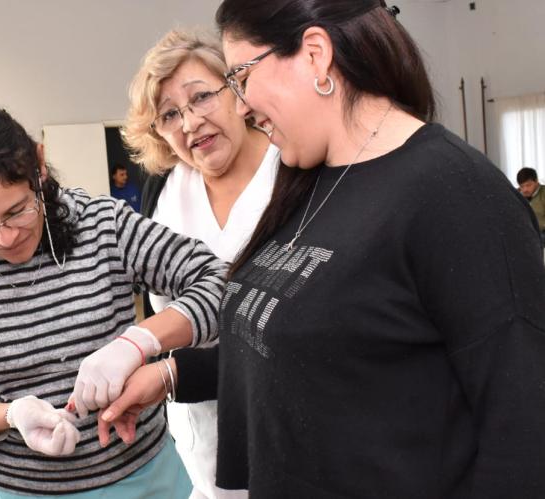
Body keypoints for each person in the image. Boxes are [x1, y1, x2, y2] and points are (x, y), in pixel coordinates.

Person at [102, 1, 545, 497]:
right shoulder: (307, 182)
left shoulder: (456, 194)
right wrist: (169, 374)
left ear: (315, 55)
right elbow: (302, 348)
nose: (242, 104)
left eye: (242, 77)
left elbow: (523, 430)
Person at [0, 88, 228, 497]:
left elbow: (221, 285)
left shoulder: (101, 226)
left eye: (17, 210)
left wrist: (139, 341)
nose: (4, 238)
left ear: (39, 166)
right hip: (6, 489)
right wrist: (7, 415)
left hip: (138, 482)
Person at [123, 28, 280, 499]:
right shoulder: (164, 192)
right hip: (197, 422)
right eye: (170, 114)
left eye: (201, 98)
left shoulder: (292, 171)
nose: (190, 122)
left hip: (283, 415)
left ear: (237, 90)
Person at [516, 167, 545, 232]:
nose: (525, 189)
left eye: (528, 185)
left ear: (536, 181)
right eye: (522, 186)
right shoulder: (516, 195)